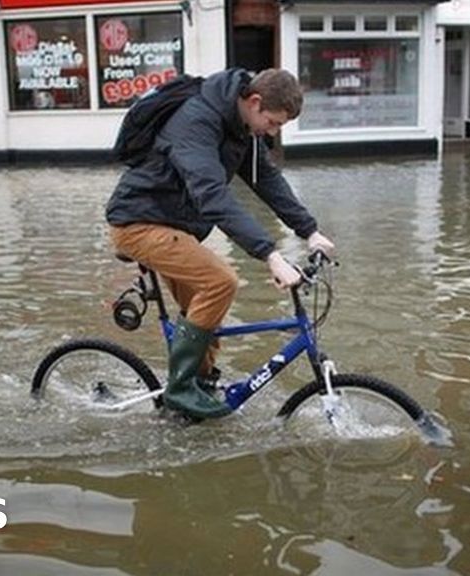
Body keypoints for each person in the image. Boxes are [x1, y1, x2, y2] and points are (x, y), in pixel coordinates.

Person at [105, 68, 335, 420]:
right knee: (220, 281)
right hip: (139, 223)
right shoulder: (197, 122)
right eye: (272, 123)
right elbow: (212, 196)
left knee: (206, 310)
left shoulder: (239, 126)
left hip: (174, 226)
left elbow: (268, 180)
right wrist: (270, 255)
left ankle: (196, 395)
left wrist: (310, 231)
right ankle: (181, 389)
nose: (272, 133)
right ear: (255, 102)